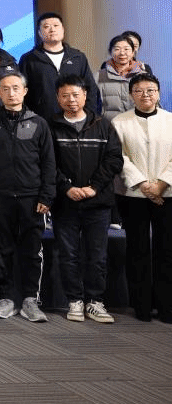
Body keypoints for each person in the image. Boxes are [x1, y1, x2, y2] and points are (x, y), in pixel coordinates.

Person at [49, 76, 124, 323]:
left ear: (85, 95)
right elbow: (47, 163)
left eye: (75, 94)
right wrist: (66, 187)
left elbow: (114, 159)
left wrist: (94, 187)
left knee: (97, 256)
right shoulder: (51, 126)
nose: (71, 100)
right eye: (65, 95)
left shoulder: (103, 125)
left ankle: (95, 301)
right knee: (68, 255)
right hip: (65, 203)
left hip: (97, 203)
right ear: (58, 98)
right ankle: (74, 300)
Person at [0, 72, 56, 321]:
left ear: (25, 91)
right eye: (5, 89)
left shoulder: (38, 123)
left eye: (16, 88)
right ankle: (5, 298)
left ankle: (30, 299)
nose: (11, 93)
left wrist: (46, 196)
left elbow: (48, 162)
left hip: (31, 198)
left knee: (32, 250)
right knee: (1, 249)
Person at [111, 73, 172, 321]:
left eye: (150, 90)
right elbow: (120, 157)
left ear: (158, 93)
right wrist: (144, 185)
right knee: (137, 249)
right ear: (130, 95)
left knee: (166, 249)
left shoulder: (170, 120)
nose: (145, 95)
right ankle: (141, 306)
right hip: (133, 194)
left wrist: (161, 184)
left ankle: (166, 306)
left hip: (167, 193)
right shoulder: (119, 122)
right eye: (139, 91)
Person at [18, 11, 100, 118]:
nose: (52, 29)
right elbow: (22, 92)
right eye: (46, 27)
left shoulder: (77, 57)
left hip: (75, 118)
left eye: (56, 26)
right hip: (42, 120)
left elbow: (90, 89)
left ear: (63, 30)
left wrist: (89, 116)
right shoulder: (29, 59)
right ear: (39, 32)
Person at [98, 34, 152, 120]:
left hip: (137, 124)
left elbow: (153, 103)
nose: (122, 53)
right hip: (108, 125)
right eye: (117, 49)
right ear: (110, 52)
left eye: (126, 49)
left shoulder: (144, 76)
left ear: (133, 52)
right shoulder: (98, 76)